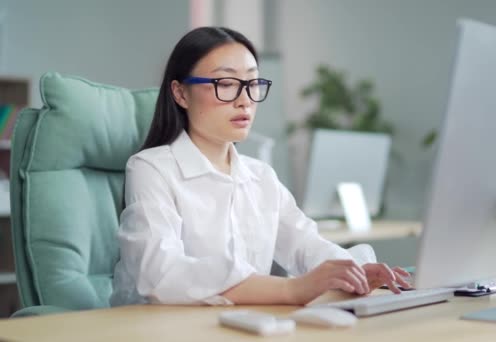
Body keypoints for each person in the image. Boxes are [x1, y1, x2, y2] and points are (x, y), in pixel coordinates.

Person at [110, 27, 410, 306]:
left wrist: (351, 271)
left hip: (240, 325)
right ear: (180, 93)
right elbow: (162, 274)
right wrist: (292, 290)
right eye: (225, 84)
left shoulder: (260, 176)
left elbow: (305, 244)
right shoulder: (151, 168)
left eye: (252, 84)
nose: (245, 101)